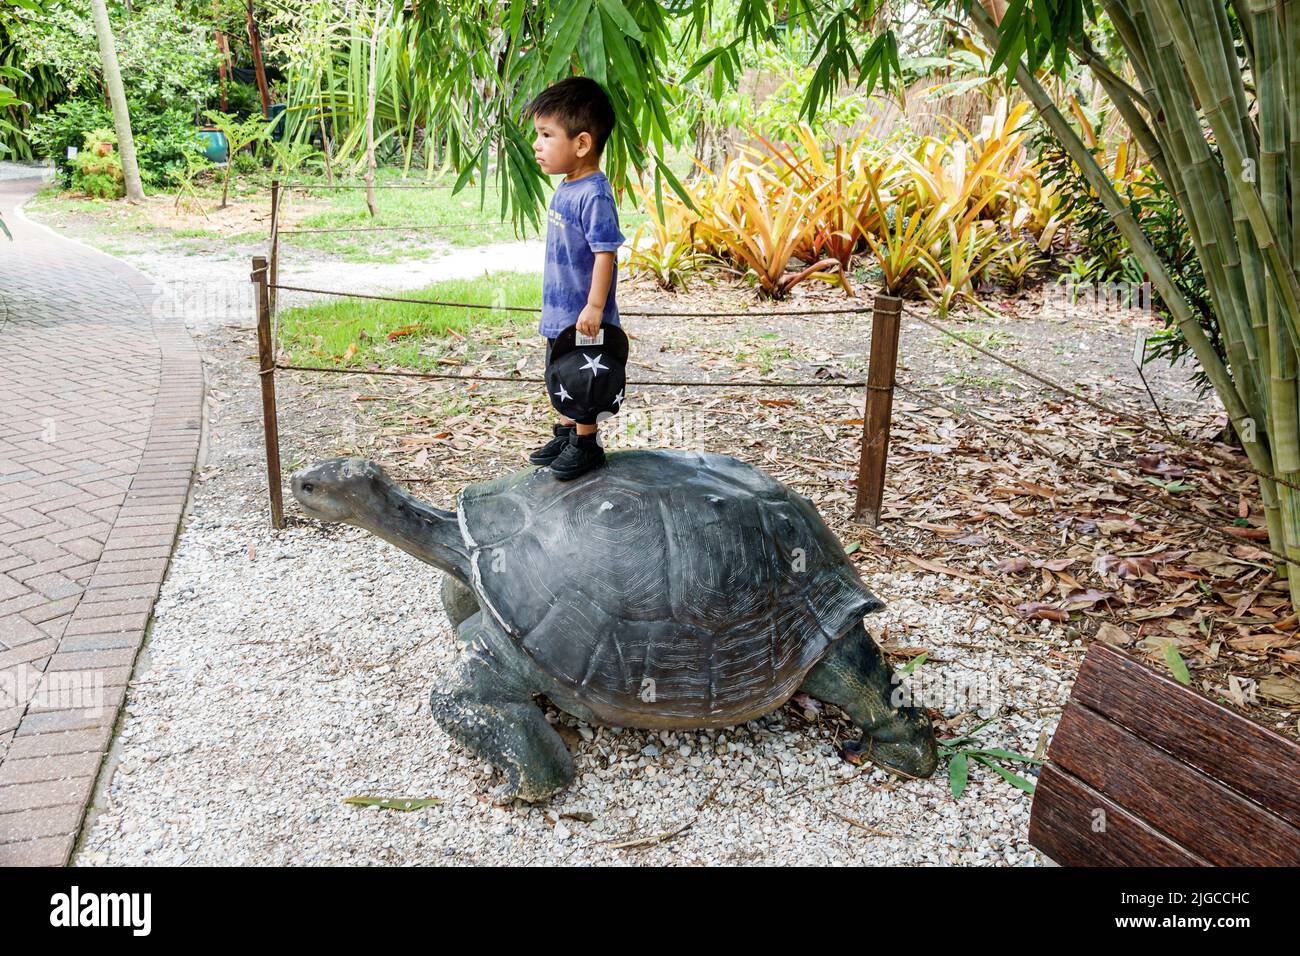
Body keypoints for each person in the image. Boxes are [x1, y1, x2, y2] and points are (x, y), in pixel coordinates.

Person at [524, 76, 625, 480]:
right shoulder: (567, 187)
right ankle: (567, 432)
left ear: (581, 144)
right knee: (560, 373)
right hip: (561, 309)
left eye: (547, 135)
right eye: (538, 134)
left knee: (583, 380)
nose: (537, 144)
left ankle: (586, 443)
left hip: (585, 315)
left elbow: (606, 252)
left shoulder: (594, 194)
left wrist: (595, 306)